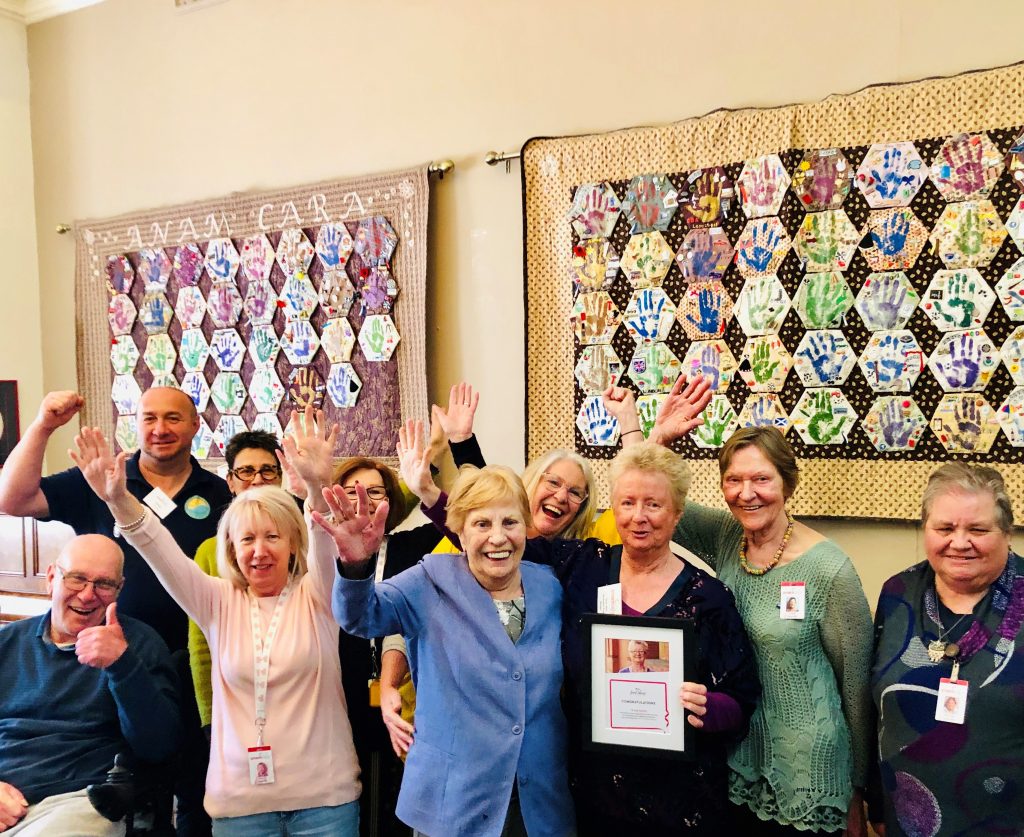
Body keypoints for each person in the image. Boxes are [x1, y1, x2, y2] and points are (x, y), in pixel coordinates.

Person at [400, 430, 760, 834]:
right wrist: (430, 495)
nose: (638, 516)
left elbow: (741, 699)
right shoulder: (581, 566)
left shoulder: (709, 598)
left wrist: (708, 708)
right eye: (627, 503)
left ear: (677, 514)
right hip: (590, 795)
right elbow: (495, 544)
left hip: (678, 800)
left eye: (654, 505)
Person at [70, 416, 363, 836]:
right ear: (231, 548)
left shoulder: (318, 595)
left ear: (293, 543)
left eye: (273, 537)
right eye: (247, 540)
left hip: (325, 803)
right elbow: (156, 546)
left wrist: (316, 487)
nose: (259, 551)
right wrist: (117, 499)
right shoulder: (216, 601)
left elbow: (324, 542)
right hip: (239, 805)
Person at [614, 387, 872, 836]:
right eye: (733, 480)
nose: (746, 494)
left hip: (809, 773)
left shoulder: (830, 570)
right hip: (737, 763)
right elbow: (651, 499)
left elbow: (856, 689)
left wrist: (861, 791)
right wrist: (652, 434)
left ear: (787, 484)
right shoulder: (725, 538)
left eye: (761, 480)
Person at [0, 387, 231, 837]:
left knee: (194, 792)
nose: (159, 429)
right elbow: (12, 498)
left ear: (196, 425)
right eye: (148, 417)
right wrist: (44, 425)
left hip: (191, 663)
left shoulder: (217, 493)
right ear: (53, 578)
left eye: (173, 418)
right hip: (99, 660)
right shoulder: (100, 478)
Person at [326, 465, 576, 837]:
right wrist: (355, 564)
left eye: (510, 522)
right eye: (481, 524)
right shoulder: (429, 581)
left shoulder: (549, 586)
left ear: (526, 526)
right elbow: (362, 618)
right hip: (453, 804)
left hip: (538, 806)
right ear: (459, 528)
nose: (498, 538)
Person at [869, 463, 1024, 837]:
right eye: (944, 528)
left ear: (1006, 531)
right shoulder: (897, 593)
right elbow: (872, 710)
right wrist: (874, 799)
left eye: (978, 529)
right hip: (905, 819)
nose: (959, 542)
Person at [0, 534, 181, 836]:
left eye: (103, 584)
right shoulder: (8, 643)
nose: (87, 595)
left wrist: (121, 665)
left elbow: (159, 748)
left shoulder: (138, 644)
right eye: (76, 579)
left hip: (80, 800)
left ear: (119, 589)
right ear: (51, 578)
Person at [188, 430, 291, 730]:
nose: (257, 480)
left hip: (296, 692)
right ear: (230, 481)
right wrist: (209, 718)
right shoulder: (210, 552)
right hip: (234, 702)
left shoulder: (300, 541)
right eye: (246, 471)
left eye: (267, 470)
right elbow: (201, 645)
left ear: (280, 477)